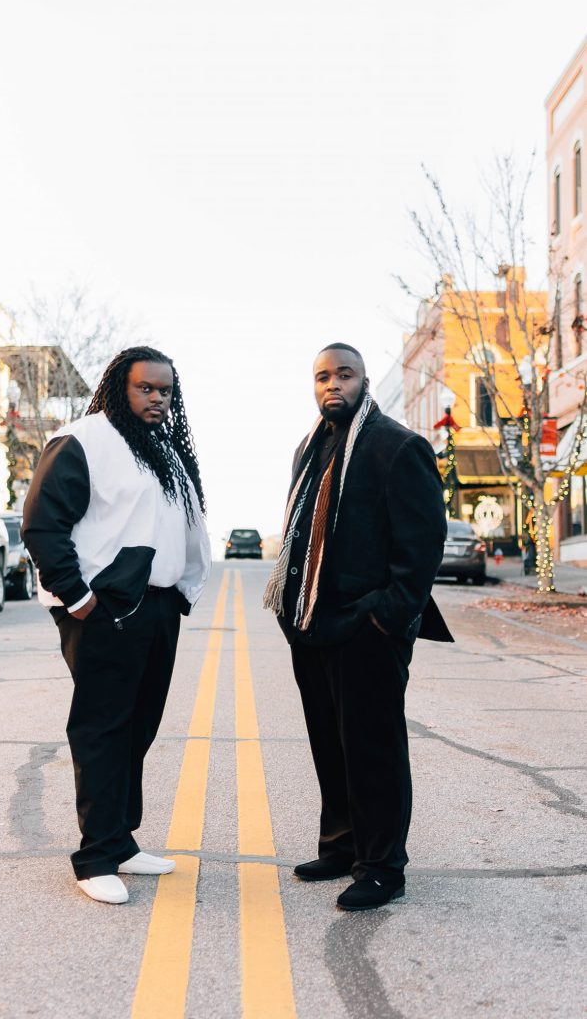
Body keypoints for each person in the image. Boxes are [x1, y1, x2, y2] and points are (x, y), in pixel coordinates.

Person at [264, 342, 452, 911]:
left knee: (373, 750)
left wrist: (385, 617)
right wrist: (293, 614)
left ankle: (382, 867)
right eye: (322, 376)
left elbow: (423, 545)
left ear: (364, 382)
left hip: (367, 629)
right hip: (313, 624)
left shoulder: (398, 446)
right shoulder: (310, 447)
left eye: (344, 374)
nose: (332, 385)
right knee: (330, 744)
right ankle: (342, 846)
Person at [22, 347, 211, 905]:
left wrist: (183, 590)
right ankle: (95, 858)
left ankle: (121, 840)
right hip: (104, 608)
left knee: (138, 728)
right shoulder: (83, 440)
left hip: (156, 607)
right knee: (103, 730)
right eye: (144, 388)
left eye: (165, 390)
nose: (156, 398)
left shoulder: (163, 450)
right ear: (118, 388)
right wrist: (77, 597)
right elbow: (42, 523)